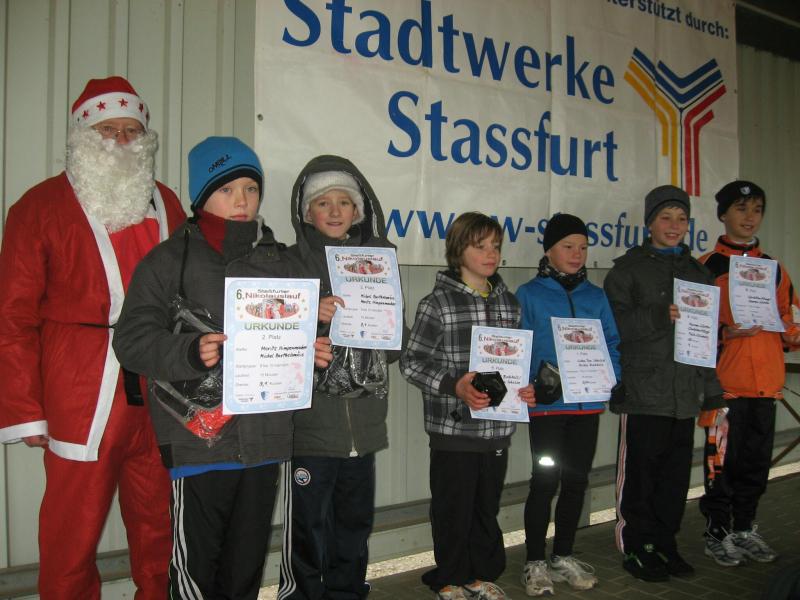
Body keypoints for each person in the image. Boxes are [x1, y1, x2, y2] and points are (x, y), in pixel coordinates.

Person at [113, 136, 333, 599]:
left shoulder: (284, 263)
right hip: (198, 445)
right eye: (227, 189)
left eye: (251, 189)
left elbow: (294, 341)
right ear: (200, 196)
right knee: (196, 567)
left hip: (266, 440)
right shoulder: (168, 261)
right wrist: (190, 351)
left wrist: (308, 356)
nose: (241, 200)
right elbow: (130, 342)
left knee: (245, 567)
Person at [0, 75, 184, 599]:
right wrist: (25, 409)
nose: (121, 141)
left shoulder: (167, 203)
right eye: (108, 130)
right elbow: (12, 316)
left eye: (131, 130)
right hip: (81, 391)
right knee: (72, 529)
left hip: (160, 389)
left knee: (160, 519)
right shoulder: (38, 207)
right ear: (83, 135)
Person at [277, 156, 405, 600]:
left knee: (354, 525)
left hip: (364, 429)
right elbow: (269, 341)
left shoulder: (379, 264)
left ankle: (347, 593)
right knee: (307, 527)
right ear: (306, 212)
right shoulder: (289, 263)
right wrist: (314, 317)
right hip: (311, 429)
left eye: (344, 202)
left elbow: (395, 350)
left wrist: (386, 319)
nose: (334, 211)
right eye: (323, 203)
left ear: (358, 210)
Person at [401, 212, 536, 600]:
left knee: (485, 508)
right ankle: (449, 578)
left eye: (496, 246)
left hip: (497, 429)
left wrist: (525, 389)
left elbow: (516, 363)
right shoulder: (437, 304)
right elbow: (412, 362)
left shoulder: (510, 303)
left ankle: (479, 576)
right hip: (454, 429)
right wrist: (453, 385)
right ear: (458, 250)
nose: (491, 253)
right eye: (480, 246)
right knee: (453, 509)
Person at [603, 185, 724, 583]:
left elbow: (706, 340)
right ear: (649, 222)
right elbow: (613, 328)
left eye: (681, 218)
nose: (674, 226)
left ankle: (665, 543)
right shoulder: (627, 271)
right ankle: (637, 547)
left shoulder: (699, 274)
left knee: (674, 479)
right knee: (641, 476)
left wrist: (712, 389)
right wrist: (656, 314)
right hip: (644, 393)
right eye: (665, 217)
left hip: (684, 395)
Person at [515, 214, 621, 596]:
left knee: (576, 481)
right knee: (544, 482)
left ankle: (562, 555)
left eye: (583, 247)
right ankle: (534, 562)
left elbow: (612, 343)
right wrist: (528, 383)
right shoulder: (529, 294)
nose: (577, 254)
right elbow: (519, 344)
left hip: (586, 407)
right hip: (547, 410)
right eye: (568, 246)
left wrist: (612, 378)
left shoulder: (596, 296)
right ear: (549, 250)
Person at [697, 180, 800, 566]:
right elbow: (692, 329)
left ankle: (744, 528)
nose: (750, 217)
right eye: (741, 209)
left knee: (755, 466)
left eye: (757, 209)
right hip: (726, 388)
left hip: (766, 386)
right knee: (720, 465)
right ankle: (717, 532)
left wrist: (790, 331)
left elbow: (791, 320)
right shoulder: (707, 266)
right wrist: (726, 332)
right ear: (723, 214)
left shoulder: (774, 269)